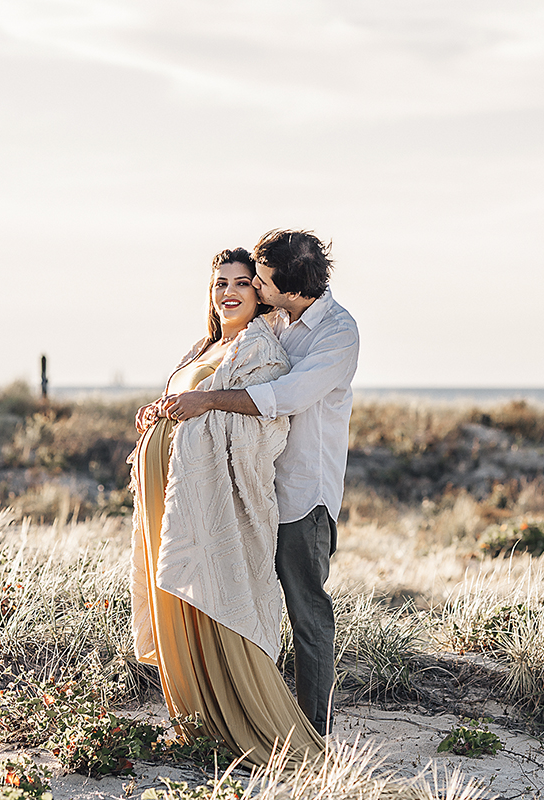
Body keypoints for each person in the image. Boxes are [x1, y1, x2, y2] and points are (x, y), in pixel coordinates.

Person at [130, 247, 325, 768]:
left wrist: (196, 416)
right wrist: (160, 415)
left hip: (220, 503)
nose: (230, 292)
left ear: (259, 295)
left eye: (242, 282)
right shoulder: (204, 349)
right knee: (183, 608)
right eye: (220, 284)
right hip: (176, 499)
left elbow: (266, 426)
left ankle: (241, 727)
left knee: (218, 604)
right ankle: (193, 723)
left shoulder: (261, 352)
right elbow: (183, 401)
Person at [159, 230, 359, 737]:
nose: (255, 288)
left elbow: (284, 395)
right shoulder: (277, 319)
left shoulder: (337, 333)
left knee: (305, 613)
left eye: (261, 282)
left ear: (288, 288)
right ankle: (239, 712)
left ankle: (315, 731)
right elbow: (217, 359)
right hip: (248, 491)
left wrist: (207, 402)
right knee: (243, 601)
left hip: (299, 494)